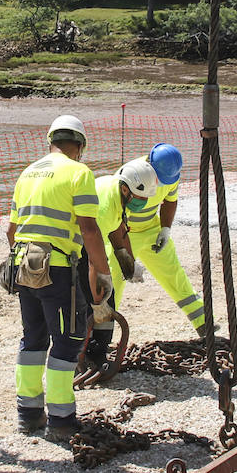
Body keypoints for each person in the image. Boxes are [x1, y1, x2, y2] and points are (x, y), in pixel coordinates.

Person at [7, 115, 112, 440]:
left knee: (33, 339)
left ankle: (28, 415)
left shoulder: (27, 173)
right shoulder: (79, 172)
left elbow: (11, 231)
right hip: (58, 269)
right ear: (80, 146)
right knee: (67, 342)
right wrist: (102, 271)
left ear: (50, 141)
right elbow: (90, 229)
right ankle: (62, 421)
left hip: (25, 264)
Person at [121, 143, 208, 337]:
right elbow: (116, 217)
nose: (161, 182)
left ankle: (203, 323)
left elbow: (170, 200)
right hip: (124, 233)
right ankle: (101, 335)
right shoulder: (131, 174)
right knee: (113, 283)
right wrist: (127, 260)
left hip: (152, 229)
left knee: (173, 273)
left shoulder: (170, 175)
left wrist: (165, 229)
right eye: (159, 178)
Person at [85, 158, 161, 370]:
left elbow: (118, 231)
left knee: (107, 301)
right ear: (126, 189)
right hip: (76, 251)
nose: (143, 202)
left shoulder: (117, 193)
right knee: (91, 302)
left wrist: (129, 263)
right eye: (140, 197)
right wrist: (99, 296)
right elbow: (92, 254)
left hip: (87, 248)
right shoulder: (105, 204)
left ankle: (97, 353)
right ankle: (81, 357)